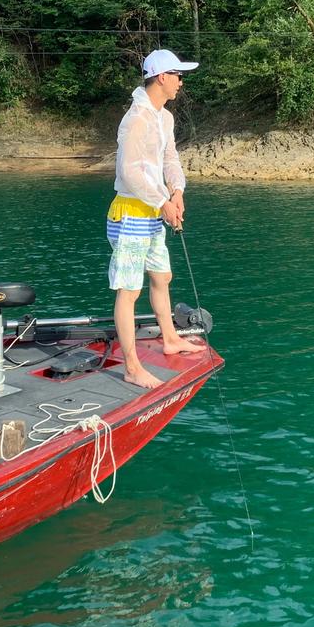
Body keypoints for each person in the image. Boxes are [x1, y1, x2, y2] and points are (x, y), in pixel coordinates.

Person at [107, 48, 202, 389]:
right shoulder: (136, 119)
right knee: (128, 290)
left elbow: (170, 158)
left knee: (162, 276)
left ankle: (170, 338)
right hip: (131, 213)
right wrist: (163, 201)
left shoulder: (164, 118)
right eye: (178, 75)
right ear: (162, 77)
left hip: (153, 213)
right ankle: (132, 367)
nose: (181, 82)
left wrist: (176, 192)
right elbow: (129, 173)